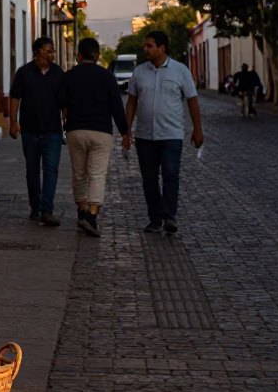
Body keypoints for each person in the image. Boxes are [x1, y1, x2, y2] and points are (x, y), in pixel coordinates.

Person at [124, 31, 204, 235]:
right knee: (149, 180)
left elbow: (192, 100)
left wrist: (197, 129)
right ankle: (155, 217)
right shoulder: (139, 72)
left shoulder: (180, 71)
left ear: (162, 48)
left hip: (171, 135)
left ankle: (169, 216)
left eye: (150, 46)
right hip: (145, 136)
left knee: (170, 175)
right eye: (145, 46)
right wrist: (126, 130)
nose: (145, 49)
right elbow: (131, 102)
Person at [58, 37, 130, 238]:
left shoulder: (69, 76)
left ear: (79, 55)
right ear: (98, 56)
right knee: (97, 175)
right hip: (101, 131)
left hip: (76, 131)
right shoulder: (107, 76)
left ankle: (81, 210)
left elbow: (61, 101)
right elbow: (117, 106)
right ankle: (91, 216)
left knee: (79, 173)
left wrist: (66, 116)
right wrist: (125, 131)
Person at [9, 36, 65, 226]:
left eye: (52, 51)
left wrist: (67, 119)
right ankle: (36, 207)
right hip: (30, 131)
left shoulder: (58, 73)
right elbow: (15, 97)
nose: (52, 54)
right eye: (48, 51)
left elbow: (65, 101)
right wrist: (13, 123)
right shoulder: (24, 73)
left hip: (53, 131)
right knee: (32, 171)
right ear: (37, 51)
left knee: (51, 170)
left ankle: (47, 210)